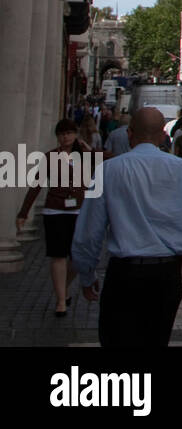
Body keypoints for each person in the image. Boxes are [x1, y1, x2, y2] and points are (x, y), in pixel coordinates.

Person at [69, 108, 182, 347]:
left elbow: (89, 231)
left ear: (129, 133)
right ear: (162, 135)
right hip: (166, 272)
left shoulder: (109, 170)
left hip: (124, 273)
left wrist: (87, 274)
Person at [17, 120, 92, 317]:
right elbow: (37, 185)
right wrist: (23, 212)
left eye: (69, 133)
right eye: (61, 134)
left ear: (75, 134)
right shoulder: (50, 157)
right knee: (58, 255)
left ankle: (63, 287)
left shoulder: (84, 155)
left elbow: (103, 165)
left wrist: (89, 151)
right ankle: (60, 300)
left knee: (78, 257)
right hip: (55, 210)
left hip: (78, 210)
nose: (65, 137)